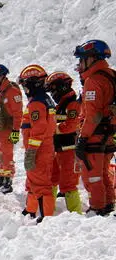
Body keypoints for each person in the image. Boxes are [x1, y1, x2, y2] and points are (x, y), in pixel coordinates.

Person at [73, 39, 116, 215]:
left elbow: (93, 115)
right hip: (109, 134)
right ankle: (108, 204)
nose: (79, 64)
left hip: (95, 135)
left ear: (91, 59)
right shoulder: (112, 75)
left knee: (93, 175)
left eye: (82, 59)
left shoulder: (94, 80)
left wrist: (82, 138)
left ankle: (98, 208)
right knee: (104, 173)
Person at [18, 65, 56, 222]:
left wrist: (32, 150)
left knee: (40, 184)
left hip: (39, 149)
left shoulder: (36, 103)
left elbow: (39, 128)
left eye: (25, 85)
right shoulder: (45, 99)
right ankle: (31, 209)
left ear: (33, 84)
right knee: (33, 181)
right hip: (44, 147)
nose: (24, 89)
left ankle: (46, 217)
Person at [45, 71, 83, 213]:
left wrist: (52, 129)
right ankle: (48, 210)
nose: (52, 93)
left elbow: (71, 125)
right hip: (58, 148)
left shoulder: (73, 103)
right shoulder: (61, 103)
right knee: (52, 178)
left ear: (61, 87)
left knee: (68, 184)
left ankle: (76, 215)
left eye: (53, 89)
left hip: (70, 149)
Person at [0, 64, 24, 193]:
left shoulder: (12, 92)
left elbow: (18, 114)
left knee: (7, 155)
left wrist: (16, 131)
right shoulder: (0, 91)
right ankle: (1, 178)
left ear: (1, 77)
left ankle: (8, 181)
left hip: (8, 129)